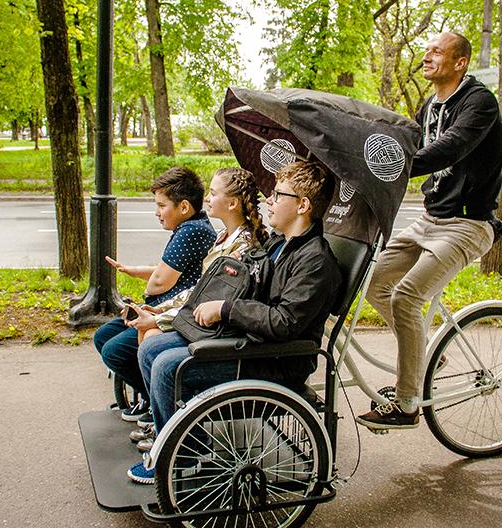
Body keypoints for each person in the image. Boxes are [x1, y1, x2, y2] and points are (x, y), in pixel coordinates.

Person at [127, 160, 342, 484]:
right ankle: (185, 444)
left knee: (167, 366)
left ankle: (179, 458)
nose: (268, 200)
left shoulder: (314, 261)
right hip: (246, 340)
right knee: (151, 348)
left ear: (303, 205)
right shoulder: (279, 244)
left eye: (277, 194)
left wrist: (227, 309)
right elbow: (256, 284)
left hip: (273, 359)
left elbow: (283, 322)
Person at [356, 31, 502, 431]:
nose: (427, 55)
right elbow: (404, 139)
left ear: (460, 63)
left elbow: (450, 148)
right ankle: (424, 349)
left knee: (406, 296)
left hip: (468, 224)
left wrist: (391, 168)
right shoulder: (430, 105)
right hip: (429, 220)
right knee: (373, 281)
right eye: (427, 50)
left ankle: (406, 404)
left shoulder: (478, 103)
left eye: (437, 51)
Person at [93, 167, 217, 422]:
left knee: (114, 351)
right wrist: (137, 272)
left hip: (173, 314)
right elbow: (170, 271)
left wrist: (147, 292)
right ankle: (150, 395)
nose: (157, 212)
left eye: (162, 206)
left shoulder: (191, 232)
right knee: (103, 336)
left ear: (183, 207)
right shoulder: (192, 226)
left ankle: (156, 399)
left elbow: (160, 282)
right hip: (164, 307)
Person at [127, 167, 269, 344]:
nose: (207, 199)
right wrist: (161, 310)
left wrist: (158, 319)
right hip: (200, 313)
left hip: (215, 323)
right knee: (147, 333)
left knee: (150, 336)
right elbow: (200, 288)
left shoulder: (242, 247)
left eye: (213, 193)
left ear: (232, 203)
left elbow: (212, 297)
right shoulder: (222, 236)